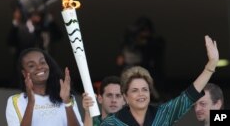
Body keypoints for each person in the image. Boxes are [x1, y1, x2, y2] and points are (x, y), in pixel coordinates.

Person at [88, 35, 218, 126]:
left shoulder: (163, 114)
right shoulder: (111, 124)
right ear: (125, 97)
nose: (141, 94)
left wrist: (211, 65)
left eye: (144, 89)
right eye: (135, 90)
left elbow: (188, 96)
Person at [5, 48, 83, 126]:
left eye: (42, 62)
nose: (39, 67)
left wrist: (66, 102)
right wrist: (31, 102)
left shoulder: (67, 97)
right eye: (31, 65)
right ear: (24, 73)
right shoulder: (16, 101)